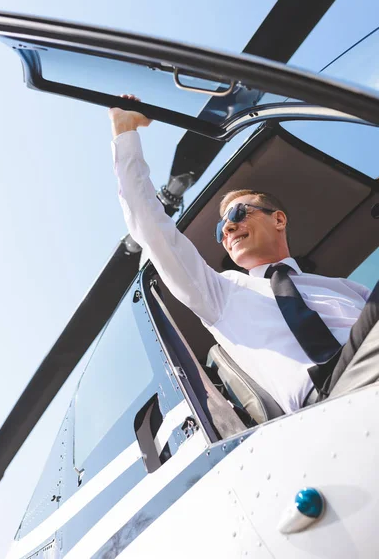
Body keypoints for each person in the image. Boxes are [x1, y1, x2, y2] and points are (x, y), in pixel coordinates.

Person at [108, 95, 379, 415]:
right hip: (332, 395)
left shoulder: (344, 289)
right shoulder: (219, 294)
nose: (228, 229)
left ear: (278, 219)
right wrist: (124, 132)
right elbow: (151, 227)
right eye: (220, 227)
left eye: (237, 213)